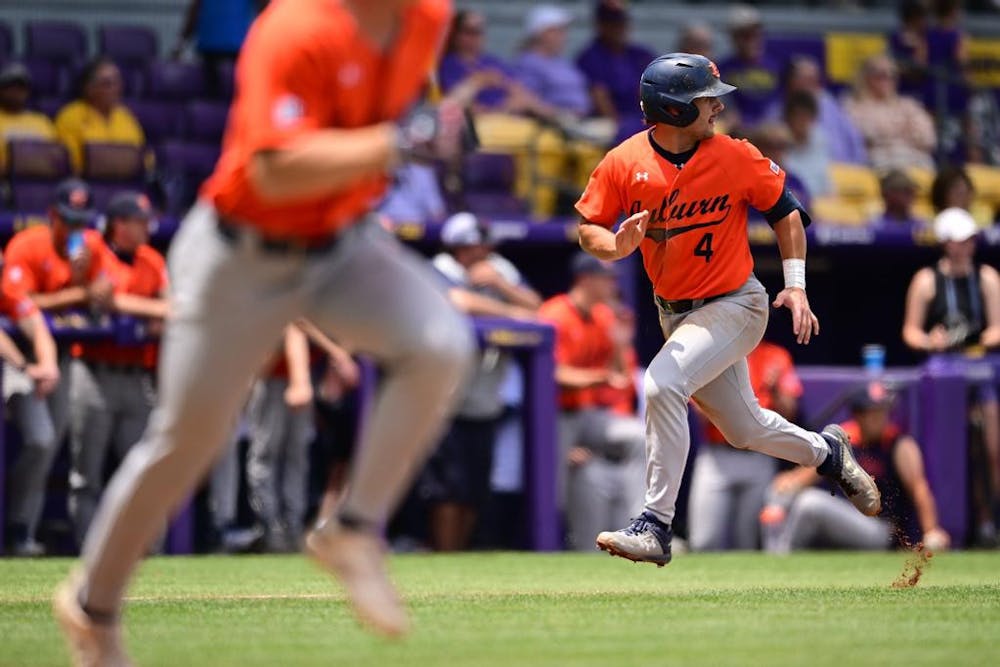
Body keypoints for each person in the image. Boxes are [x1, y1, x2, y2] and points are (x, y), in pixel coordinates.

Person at [53, 2, 474, 662]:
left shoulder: (427, 16)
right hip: (241, 255)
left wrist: (425, 134)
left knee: (443, 345)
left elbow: (382, 128)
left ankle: (354, 529)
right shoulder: (295, 27)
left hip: (341, 244)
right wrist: (397, 142)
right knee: (185, 443)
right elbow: (274, 170)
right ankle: (92, 606)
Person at [574, 53, 880, 566]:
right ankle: (829, 453)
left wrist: (797, 286)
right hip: (676, 312)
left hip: (735, 302)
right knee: (745, 429)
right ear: (672, 110)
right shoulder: (624, 161)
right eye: (705, 99)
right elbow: (590, 227)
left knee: (660, 383)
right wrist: (613, 247)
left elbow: (786, 214)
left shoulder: (735, 154)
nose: (717, 106)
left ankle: (655, 523)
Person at [2, 179, 115, 556]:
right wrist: (78, 294)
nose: (76, 229)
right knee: (40, 440)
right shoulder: (26, 245)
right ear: (53, 216)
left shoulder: (92, 246)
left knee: (48, 445)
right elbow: (24, 303)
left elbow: (104, 296)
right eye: (69, 220)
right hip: (16, 356)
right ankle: (17, 528)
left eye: (82, 221)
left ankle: (22, 533)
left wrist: (85, 281)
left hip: (57, 358)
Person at [421, 212, 540, 551]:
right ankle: (444, 554)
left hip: (485, 396)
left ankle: (458, 556)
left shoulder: (499, 270)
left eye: (485, 245)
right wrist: (510, 313)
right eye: (475, 246)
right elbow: (458, 301)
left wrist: (502, 286)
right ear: (458, 248)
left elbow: (536, 306)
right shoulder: (440, 268)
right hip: (444, 399)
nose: (483, 253)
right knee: (447, 488)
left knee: (474, 486)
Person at [67, 192, 170, 548]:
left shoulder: (153, 260)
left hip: (135, 373)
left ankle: (146, 552)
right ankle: (87, 550)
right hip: (93, 370)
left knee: (142, 471)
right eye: (138, 221)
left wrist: (122, 305)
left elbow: (171, 310)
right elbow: (76, 248)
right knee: (87, 473)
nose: (147, 227)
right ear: (118, 225)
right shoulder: (93, 247)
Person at [902, 207, 1000, 544]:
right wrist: (933, 340)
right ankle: (947, 523)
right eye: (959, 241)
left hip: (982, 370)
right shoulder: (926, 280)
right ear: (946, 243)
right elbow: (911, 332)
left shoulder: (986, 277)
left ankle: (989, 520)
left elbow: (998, 328)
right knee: (944, 449)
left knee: (991, 447)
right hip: (943, 373)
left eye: (970, 240)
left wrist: (977, 339)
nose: (966, 247)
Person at [538, 252, 646, 551]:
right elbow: (553, 374)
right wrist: (600, 377)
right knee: (554, 496)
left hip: (587, 415)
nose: (612, 285)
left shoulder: (603, 315)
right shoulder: (554, 312)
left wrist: (620, 342)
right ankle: (547, 549)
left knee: (641, 437)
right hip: (551, 416)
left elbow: (621, 375)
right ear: (586, 279)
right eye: (606, 279)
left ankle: (640, 525)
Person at [764, 383, 951, 553]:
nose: (880, 418)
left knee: (810, 503)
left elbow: (920, 489)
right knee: (778, 493)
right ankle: (773, 555)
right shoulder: (847, 438)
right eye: (873, 412)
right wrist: (787, 484)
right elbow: (806, 476)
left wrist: (931, 531)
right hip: (843, 517)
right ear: (858, 415)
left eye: (883, 411)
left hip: (880, 530)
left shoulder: (899, 445)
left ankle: (783, 555)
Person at [688, 338, 803, 551]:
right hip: (717, 455)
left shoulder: (776, 355)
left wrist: (775, 390)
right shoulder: (713, 351)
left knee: (748, 542)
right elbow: (701, 411)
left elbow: (790, 412)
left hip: (758, 454)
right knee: (704, 541)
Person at [575, 1, 655, 143]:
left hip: (643, 116)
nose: (619, 28)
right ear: (600, 24)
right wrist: (620, 125)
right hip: (616, 122)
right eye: (612, 23)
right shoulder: (591, 57)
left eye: (622, 22)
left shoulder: (639, 54)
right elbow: (599, 96)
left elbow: (653, 89)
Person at [764, 56, 867, 165]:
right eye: (807, 79)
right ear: (791, 81)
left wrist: (859, 165)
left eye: (815, 79)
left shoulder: (828, 102)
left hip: (844, 170)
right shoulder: (777, 110)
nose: (813, 84)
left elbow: (853, 137)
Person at [843, 54, 936, 171]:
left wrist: (887, 135)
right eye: (881, 75)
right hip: (877, 164)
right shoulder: (852, 106)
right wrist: (903, 133)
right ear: (866, 77)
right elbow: (865, 136)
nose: (887, 80)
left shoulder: (908, 105)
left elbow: (928, 139)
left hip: (915, 161)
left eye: (892, 75)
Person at [54, 57, 146, 174]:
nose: (116, 89)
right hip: (87, 183)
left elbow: (143, 160)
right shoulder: (70, 116)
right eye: (107, 84)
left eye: (118, 82)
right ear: (89, 89)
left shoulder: (126, 117)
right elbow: (72, 162)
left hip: (127, 184)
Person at [514, 5, 592, 120]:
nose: (563, 36)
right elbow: (525, 100)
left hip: (583, 123)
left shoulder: (562, 63)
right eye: (557, 31)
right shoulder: (528, 64)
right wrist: (559, 115)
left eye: (563, 31)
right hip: (554, 129)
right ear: (541, 34)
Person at [716, 5, 781, 130]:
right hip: (738, 133)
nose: (751, 39)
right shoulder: (722, 69)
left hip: (771, 133)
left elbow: (780, 105)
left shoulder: (776, 66)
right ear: (733, 37)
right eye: (745, 35)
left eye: (755, 33)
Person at [0, 62, 57, 171]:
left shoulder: (42, 121)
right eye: (10, 87)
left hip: (42, 178)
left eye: (21, 87)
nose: (16, 92)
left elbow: (55, 159)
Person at [781, 91, 832, 198]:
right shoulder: (777, 144)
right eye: (798, 116)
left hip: (820, 203)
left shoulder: (820, 139)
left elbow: (824, 179)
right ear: (788, 118)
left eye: (806, 116)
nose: (802, 121)